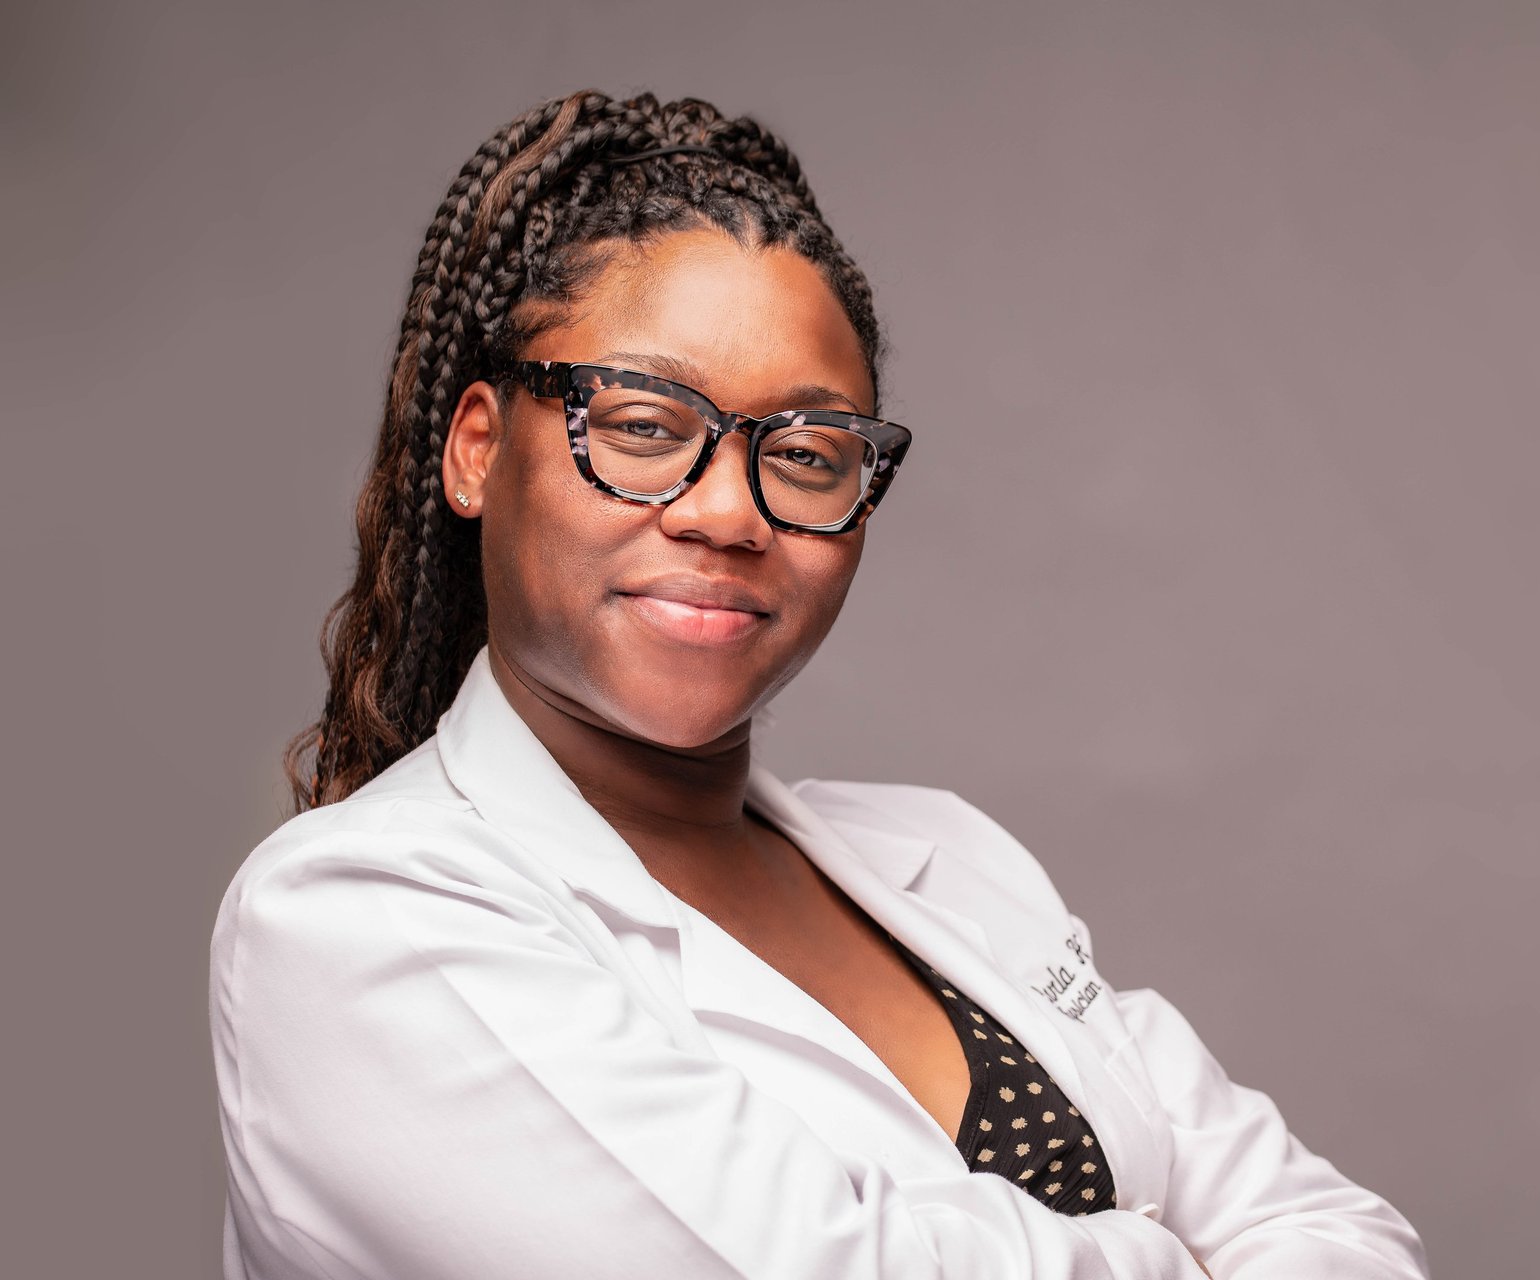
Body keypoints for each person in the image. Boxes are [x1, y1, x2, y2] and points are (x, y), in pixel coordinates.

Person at [207, 89, 1430, 1280]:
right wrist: (1180, 1257)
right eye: (644, 426)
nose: (728, 512)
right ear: (477, 447)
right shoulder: (354, 918)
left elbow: (1344, 1232)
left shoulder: (950, 858)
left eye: (803, 452)